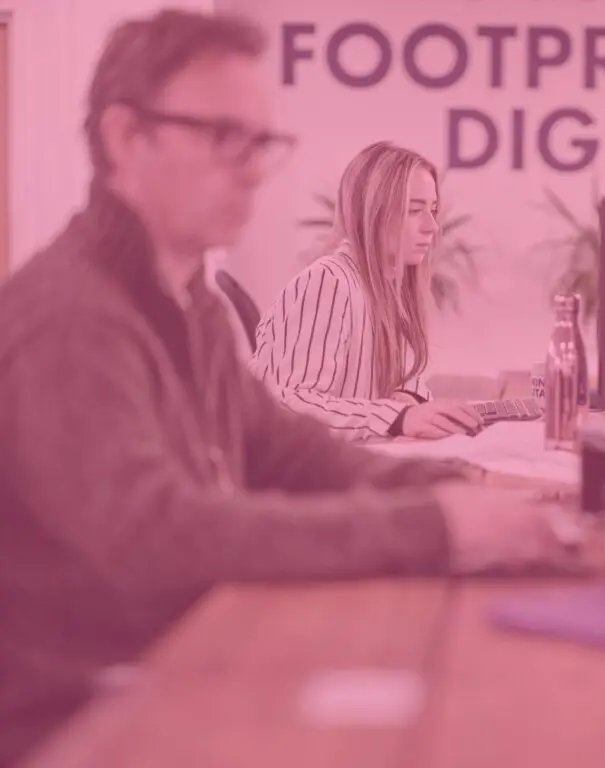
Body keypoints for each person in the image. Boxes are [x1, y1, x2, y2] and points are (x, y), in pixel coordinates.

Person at [0, 10, 573, 766]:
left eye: (260, 141)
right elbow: (155, 534)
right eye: (221, 137)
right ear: (124, 139)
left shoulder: (183, 299)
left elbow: (290, 450)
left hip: (183, 655)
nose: (251, 166)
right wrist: (434, 526)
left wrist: (460, 489)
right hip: (90, 714)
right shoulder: (73, 315)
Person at [251, 142, 484, 441]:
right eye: (414, 210)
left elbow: (393, 392)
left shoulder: (391, 289)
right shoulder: (329, 282)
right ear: (371, 214)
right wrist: (396, 418)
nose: (432, 227)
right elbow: (289, 403)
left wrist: (407, 399)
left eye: (433, 210)